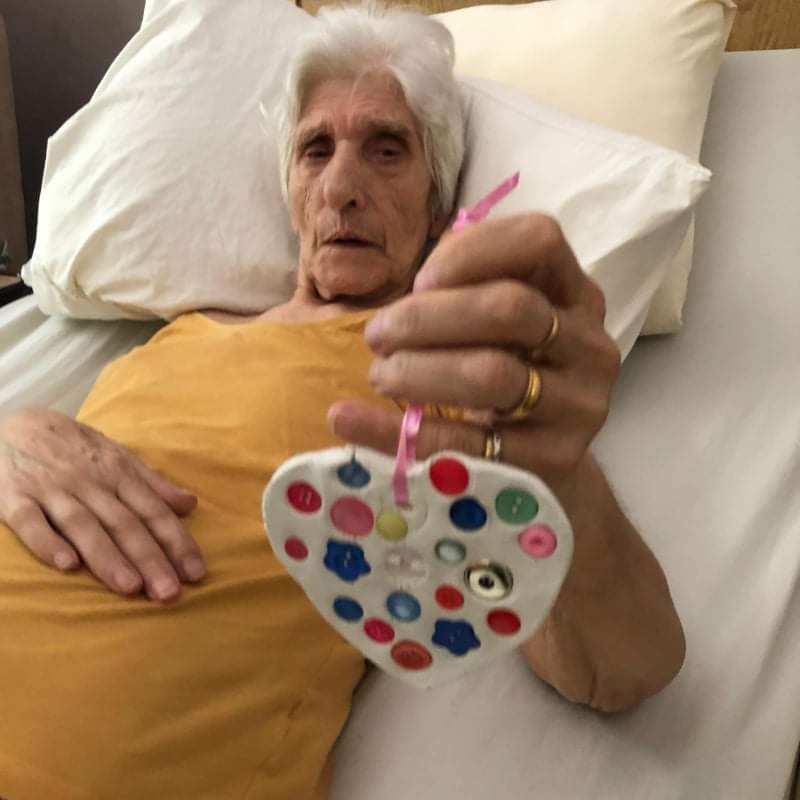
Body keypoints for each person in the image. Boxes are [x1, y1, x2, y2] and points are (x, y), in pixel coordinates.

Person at [0, 3, 685, 797]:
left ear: (438, 206)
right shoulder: (176, 332)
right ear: (290, 191)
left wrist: (561, 476)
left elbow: (626, 669)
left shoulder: (449, 376)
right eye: (315, 149)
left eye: (387, 150)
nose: (343, 186)